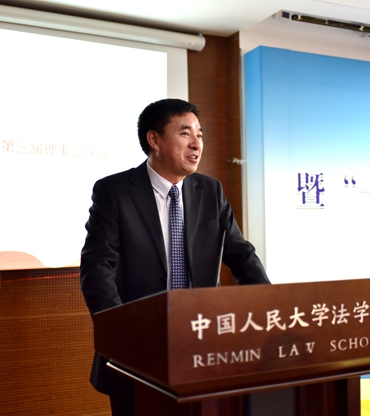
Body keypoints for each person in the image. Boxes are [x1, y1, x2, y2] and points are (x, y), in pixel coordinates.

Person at [80, 98, 270, 415]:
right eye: (185, 133)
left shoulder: (210, 191)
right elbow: (97, 267)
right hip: (139, 347)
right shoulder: (115, 191)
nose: (197, 143)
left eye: (200, 134)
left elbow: (241, 255)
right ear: (154, 140)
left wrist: (269, 308)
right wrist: (120, 334)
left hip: (203, 342)